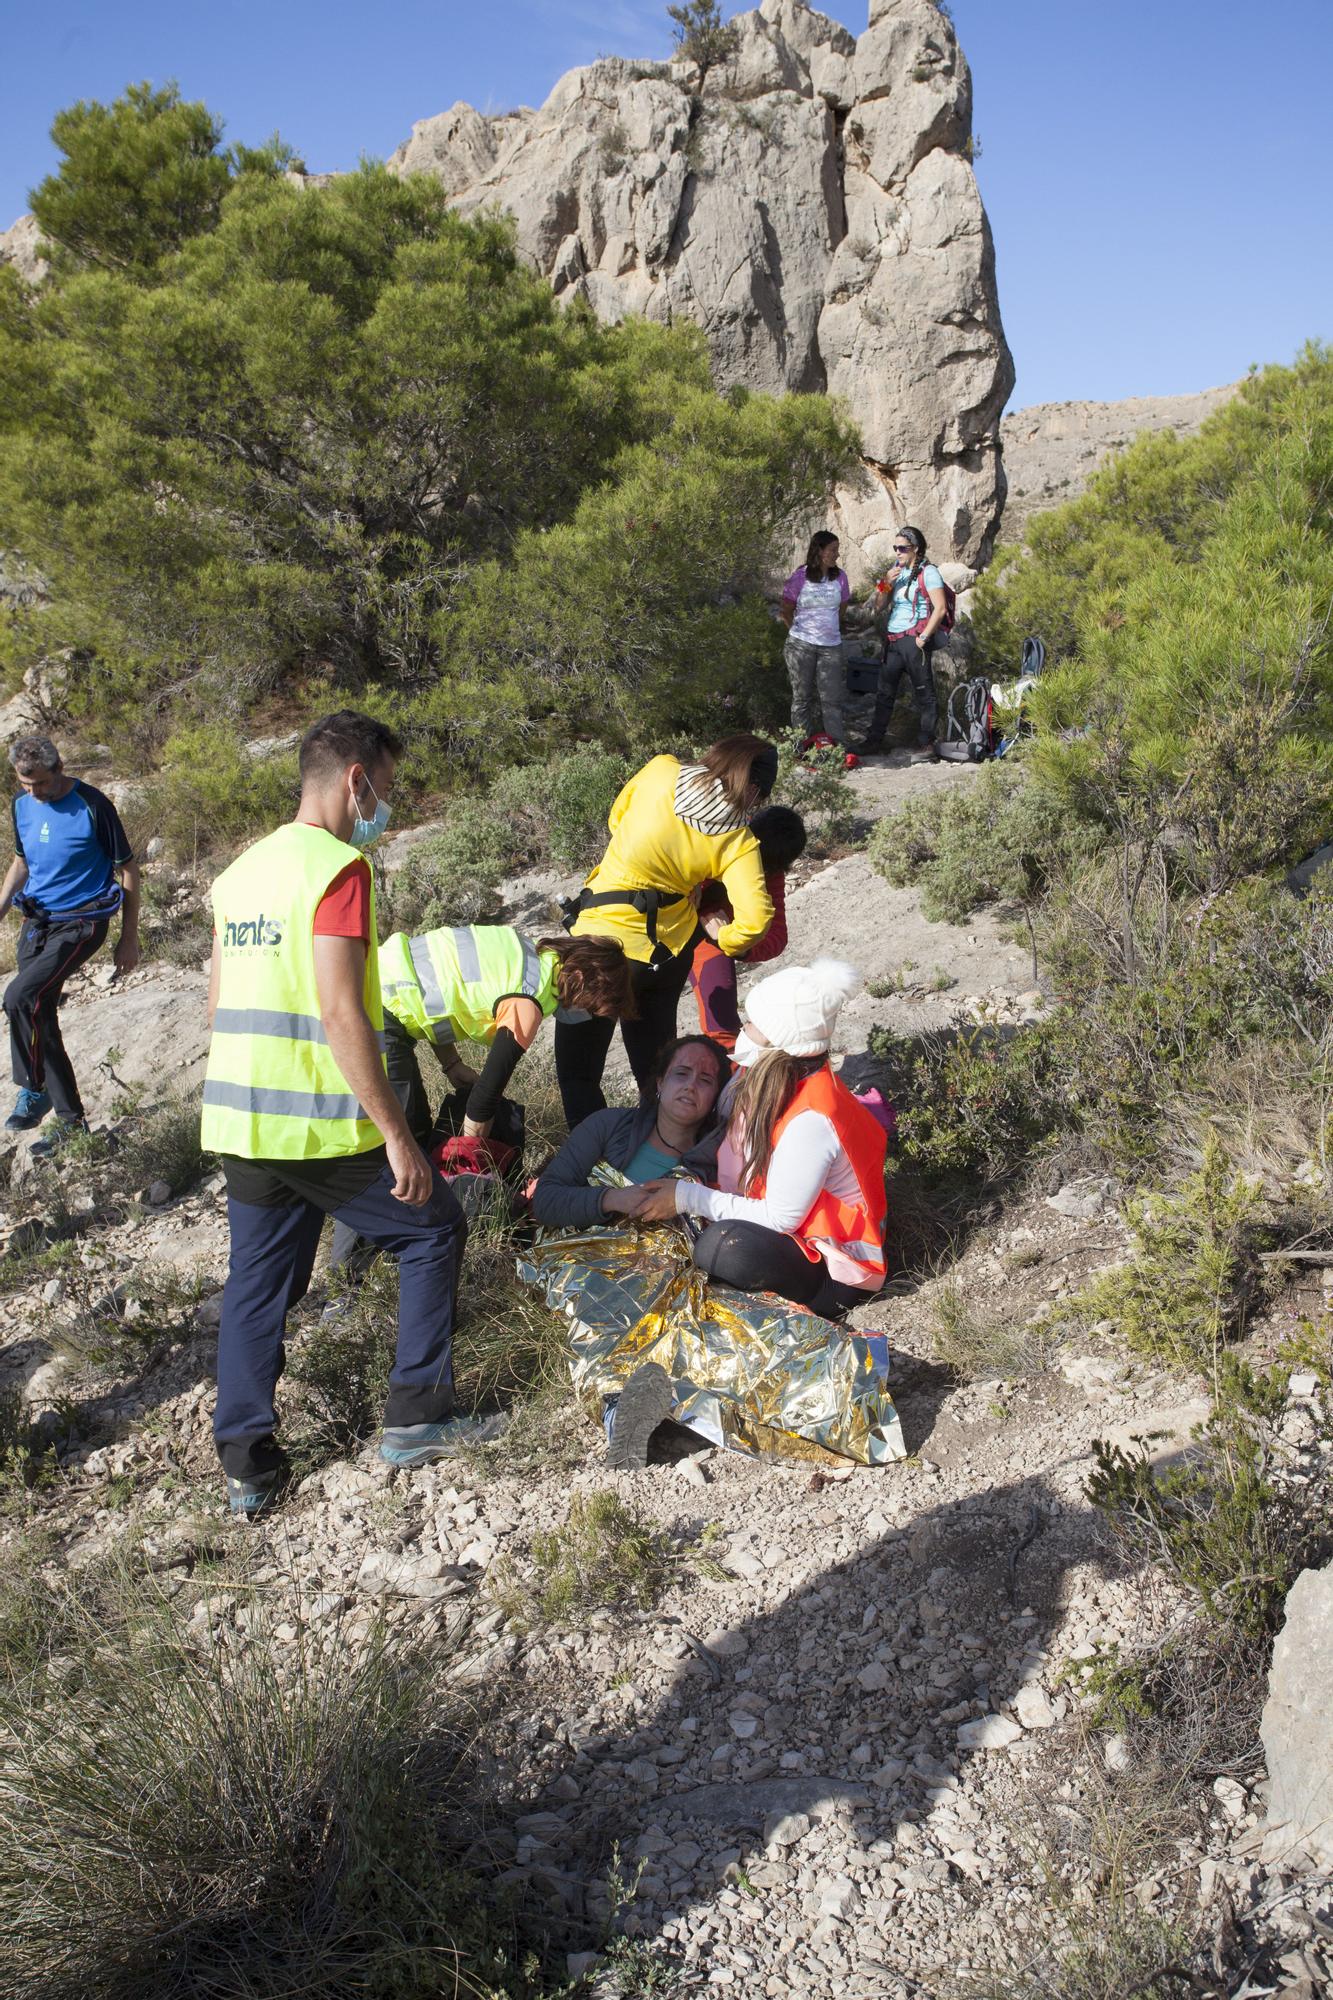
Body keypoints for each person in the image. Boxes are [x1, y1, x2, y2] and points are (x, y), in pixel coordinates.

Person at [202, 709, 487, 1519]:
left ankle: (247, 1464)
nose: (384, 813)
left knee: (257, 1287)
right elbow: (340, 1010)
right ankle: (416, 1418)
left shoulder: (240, 874)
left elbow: (219, 1002)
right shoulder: (336, 871)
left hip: (240, 1119)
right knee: (433, 1229)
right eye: (386, 790)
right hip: (319, 1124)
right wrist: (400, 1134)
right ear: (356, 779)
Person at [327, 924, 634, 1268]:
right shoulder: (527, 1000)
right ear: (579, 977)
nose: (586, 1017)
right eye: (592, 1008)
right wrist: (467, 1159)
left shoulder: (526, 954)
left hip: (371, 985)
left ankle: (391, 1241)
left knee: (403, 1138)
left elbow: (436, 992)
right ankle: (349, 1274)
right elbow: (486, 1097)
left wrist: (451, 1064)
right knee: (399, 1145)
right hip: (376, 1011)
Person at [632, 957, 888, 1320]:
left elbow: (781, 1218)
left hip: (837, 1270)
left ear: (777, 1043)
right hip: (800, 1238)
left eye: (752, 1025)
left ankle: (800, 1303)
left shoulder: (812, 1118)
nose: (744, 1029)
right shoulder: (769, 1080)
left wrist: (687, 1197)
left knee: (723, 1248)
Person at [555, 736, 777, 1128]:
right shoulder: (737, 839)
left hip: (595, 948)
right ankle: (657, 1157)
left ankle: (590, 1173)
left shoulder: (661, 770)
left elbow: (615, 820)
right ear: (755, 791)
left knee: (579, 1074)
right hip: (665, 956)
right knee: (653, 1074)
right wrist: (721, 937)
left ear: (717, 755)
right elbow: (756, 922)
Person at [0, 735, 140, 1141]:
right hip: (37, 923)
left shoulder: (93, 805)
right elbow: (21, 862)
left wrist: (127, 939)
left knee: (18, 997)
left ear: (58, 769)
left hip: (81, 923)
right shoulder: (21, 805)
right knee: (38, 1013)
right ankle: (72, 1124)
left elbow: (128, 870)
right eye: (25, 785)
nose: (33, 792)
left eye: (40, 783)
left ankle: (35, 1088)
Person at [530, 1033, 729, 1233]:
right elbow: (545, 1200)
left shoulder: (718, 1162)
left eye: (705, 1080)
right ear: (660, 1083)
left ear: (716, 1098)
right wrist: (611, 1199)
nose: (690, 1086)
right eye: (681, 1073)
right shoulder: (607, 1125)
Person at [688, 805, 806, 1052]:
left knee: (722, 1030)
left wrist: (732, 941)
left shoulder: (770, 867)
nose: (755, 870)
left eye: (763, 868)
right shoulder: (712, 834)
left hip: (708, 938)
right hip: (661, 924)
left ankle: (734, 1084)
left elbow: (776, 936)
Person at [858, 526, 950, 760]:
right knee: (884, 693)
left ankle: (926, 744)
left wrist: (923, 639)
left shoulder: (929, 573)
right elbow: (879, 606)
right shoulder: (896, 573)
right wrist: (884, 582)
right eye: (895, 548)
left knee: (924, 693)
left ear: (916, 549)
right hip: (893, 640)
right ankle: (873, 741)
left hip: (914, 639)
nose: (897, 552)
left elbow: (940, 609)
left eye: (902, 548)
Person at [780, 531, 851, 750]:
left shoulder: (840, 577)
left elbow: (842, 609)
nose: (836, 555)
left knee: (832, 700)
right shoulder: (800, 576)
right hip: (801, 645)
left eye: (837, 550)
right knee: (802, 698)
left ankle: (837, 748)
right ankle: (800, 747)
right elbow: (786, 609)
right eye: (832, 550)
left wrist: (828, 630)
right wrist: (799, 632)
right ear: (819, 551)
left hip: (831, 647)